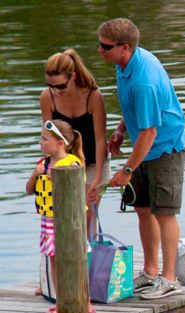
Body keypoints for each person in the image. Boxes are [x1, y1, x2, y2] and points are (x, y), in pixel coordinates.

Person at [97, 18, 185, 300]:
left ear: (125, 47)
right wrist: (120, 130)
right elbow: (133, 108)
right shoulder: (123, 64)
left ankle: (169, 278)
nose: (100, 50)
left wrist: (126, 169)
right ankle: (150, 271)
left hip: (164, 148)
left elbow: (150, 131)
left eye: (105, 46)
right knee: (142, 209)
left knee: (164, 212)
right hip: (142, 145)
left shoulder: (144, 80)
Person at [26, 119, 96, 313]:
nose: (41, 143)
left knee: (74, 259)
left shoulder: (72, 163)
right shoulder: (42, 164)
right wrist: (35, 174)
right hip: (48, 220)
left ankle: (85, 301)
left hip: (69, 221)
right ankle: (60, 301)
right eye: (41, 138)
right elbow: (29, 190)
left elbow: (72, 192)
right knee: (54, 260)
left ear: (60, 143)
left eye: (45, 139)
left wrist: (52, 177)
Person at [40, 48, 111, 234]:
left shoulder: (93, 96)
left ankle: (88, 258)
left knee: (87, 216)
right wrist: (49, 167)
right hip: (64, 165)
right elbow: (49, 139)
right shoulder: (47, 97)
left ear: (72, 76)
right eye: (50, 85)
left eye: (61, 86)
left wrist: (96, 179)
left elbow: (101, 139)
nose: (56, 91)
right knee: (65, 216)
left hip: (94, 162)